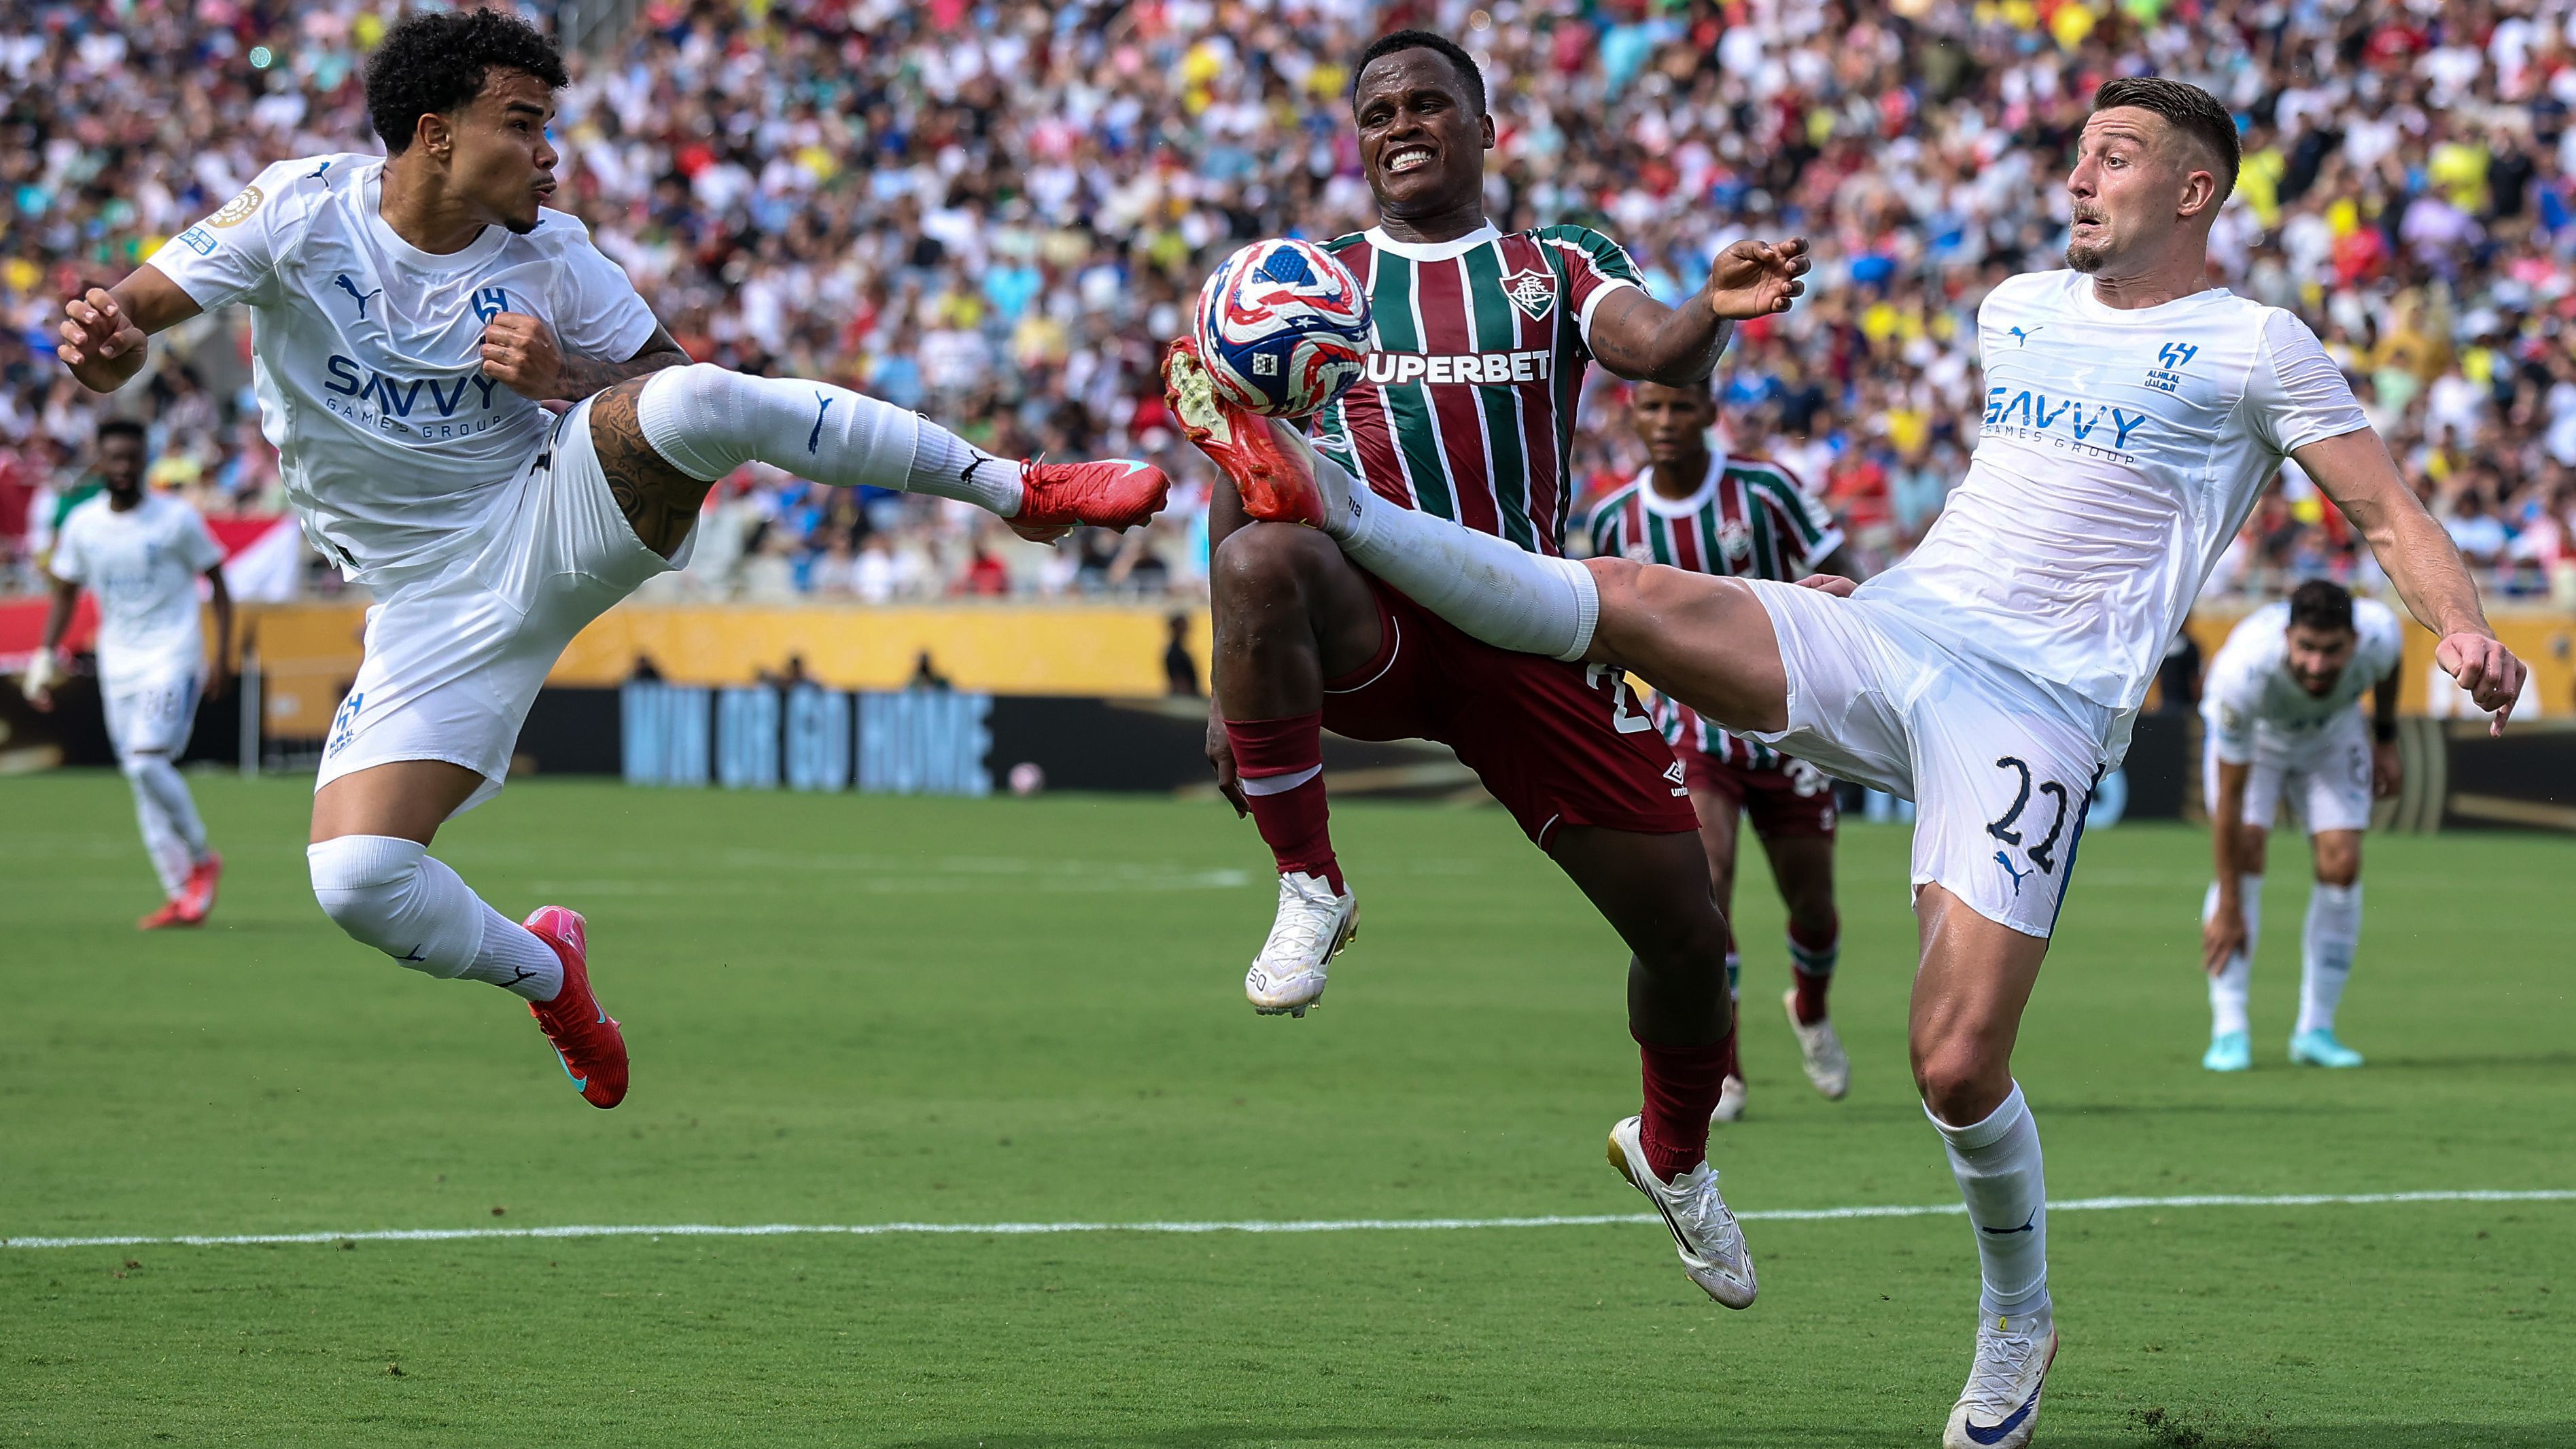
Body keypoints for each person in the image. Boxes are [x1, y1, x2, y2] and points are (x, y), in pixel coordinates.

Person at [1173, 76, 2526, 1448]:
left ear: (2189, 192)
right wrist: (1857, 587)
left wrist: (2461, 627)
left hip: (2036, 713)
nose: (2075, 179)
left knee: (1949, 1063)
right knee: (1626, 591)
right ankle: (1333, 501)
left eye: (2110, 159)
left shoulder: (2254, 345)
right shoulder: (2016, 307)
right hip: (1894, 633)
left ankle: (2015, 1314)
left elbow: (2384, 510)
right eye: (2072, 155)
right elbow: (2008, 512)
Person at [53, 9, 1166, 1111]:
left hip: (549, 512)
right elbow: (137, 319)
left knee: (701, 398)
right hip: (427, 606)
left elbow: (658, 376)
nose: (550, 152)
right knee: (355, 879)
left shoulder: (554, 253)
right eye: (523, 122)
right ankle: (551, 975)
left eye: (553, 124)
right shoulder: (302, 211)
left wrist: (563, 369)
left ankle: (1017, 489)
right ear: (436, 134)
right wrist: (106, 354)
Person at [1168, 29, 1811, 1312]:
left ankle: (1672, 1154)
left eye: (1430, 103)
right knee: (1255, 567)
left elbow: (1649, 347)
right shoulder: (1305, 281)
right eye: (1380, 110)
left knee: (1685, 938)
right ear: (1359, 141)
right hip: (1377, 624)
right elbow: (1243, 482)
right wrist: (1230, 704)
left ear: (1485, 129)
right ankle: (1312, 883)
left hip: (1530, 633)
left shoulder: (1549, 266)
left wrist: (1707, 315)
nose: (1403, 123)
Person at [1586, 379, 1856, 1120]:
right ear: (1632, 416)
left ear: (1709, 412)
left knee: (1814, 905)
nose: (1665, 422)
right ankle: (1727, 1068)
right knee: (1710, 883)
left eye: (1680, 407)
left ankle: (1810, 1003)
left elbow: (1843, 570)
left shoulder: (1765, 489)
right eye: (1651, 408)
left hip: (1792, 725)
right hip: (1693, 733)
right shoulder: (1615, 519)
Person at [23, 418, 232, 928]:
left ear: (146, 462)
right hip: (119, 664)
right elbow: (66, 591)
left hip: (172, 657)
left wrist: (221, 656)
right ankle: (184, 896)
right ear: (100, 461)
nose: (123, 468)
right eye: (114, 458)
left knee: (145, 762)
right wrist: (45, 653)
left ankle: (203, 858)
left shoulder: (176, 520)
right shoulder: (83, 525)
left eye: (133, 459)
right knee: (142, 781)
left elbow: (218, 583)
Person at [2198, 578, 2403, 1072]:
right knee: (2246, 850)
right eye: (2306, 648)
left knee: (2343, 863)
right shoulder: (2241, 675)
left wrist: (2386, 738)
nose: (2317, 665)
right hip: (2259, 743)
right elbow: (2229, 798)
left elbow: (2391, 670)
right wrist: (2228, 903)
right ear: (2287, 636)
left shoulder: (2381, 635)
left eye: (2333, 651)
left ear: (2354, 641)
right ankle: (2230, 1031)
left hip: (2332, 737)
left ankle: (2316, 1029)